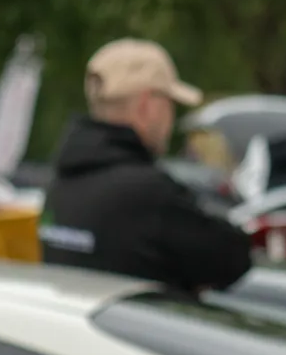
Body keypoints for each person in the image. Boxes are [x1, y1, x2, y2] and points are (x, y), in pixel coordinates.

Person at [42, 40, 251, 292]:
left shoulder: (59, 186)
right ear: (147, 106)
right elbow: (232, 258)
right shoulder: (148, 193)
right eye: (170, 104)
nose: (171, 118)